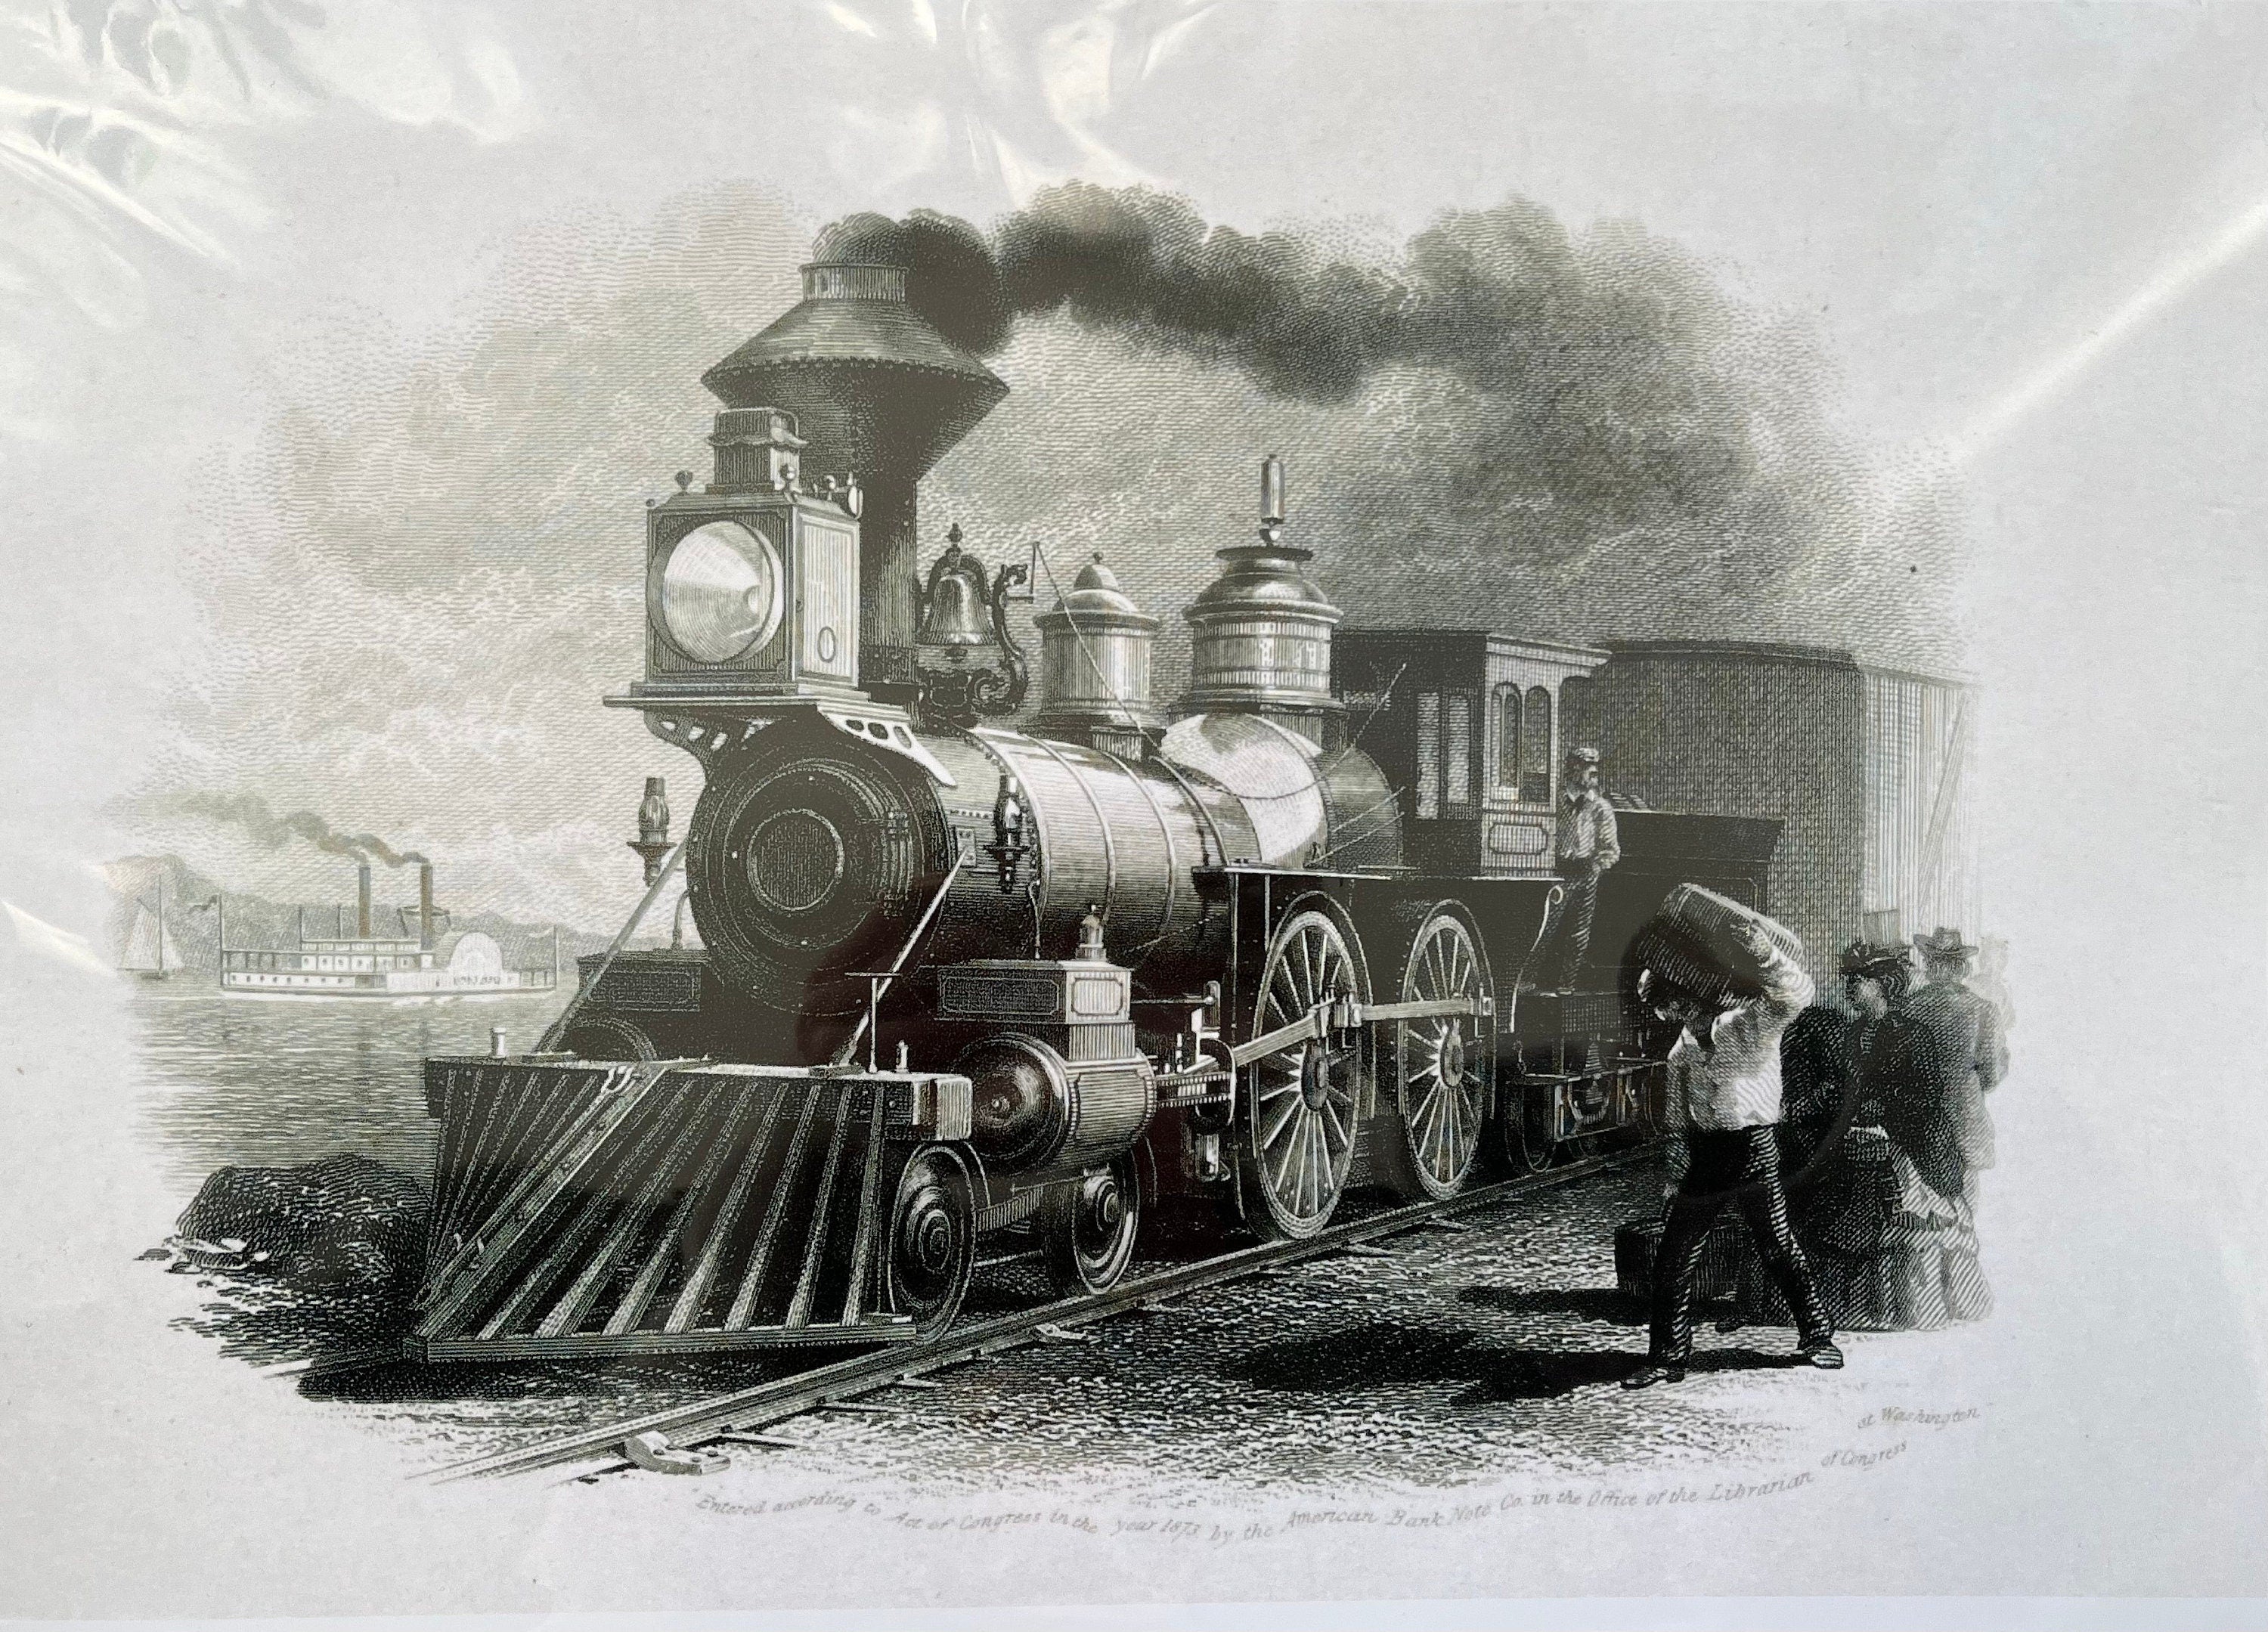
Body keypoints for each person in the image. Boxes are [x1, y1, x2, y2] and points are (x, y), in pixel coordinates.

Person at [1623, 915, 1840, 1389]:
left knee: (1778, 1248)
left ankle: (1818, 1337)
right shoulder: (1680, 1053)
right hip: (1707, 1157)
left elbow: (1795, 993)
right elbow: (1677, 1124)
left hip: (1755, 1149)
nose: (1665, 1015)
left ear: (1688, 998)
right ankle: (1667, 1359)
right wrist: (1673, 1179)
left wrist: (1764, 954)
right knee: (1674, 1258)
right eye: (1662, 1008)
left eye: (1667, 1004)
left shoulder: (1749, 1026)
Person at [1902, 927, 2009, 1213]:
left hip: (1919, 1126)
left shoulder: (1908, 1009)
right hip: (1965, 1122)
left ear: (1930, 965)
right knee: (1965, 1211)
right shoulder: (1983, 1010)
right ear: (1962, 967)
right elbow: (1992, 1074)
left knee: (1923, 1214)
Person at [1539, 746, 1620, 995]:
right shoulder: (1553, 803)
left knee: (1579, 934)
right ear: (1574, 770)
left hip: (1586, 873)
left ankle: (1566, 985)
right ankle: (1532, 983)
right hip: (1555, 872)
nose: (1593, 776)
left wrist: (1596, 867)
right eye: (1588, 771)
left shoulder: (1601, 808)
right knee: (1545, 928)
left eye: (1595, 771)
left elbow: (1611, 849)